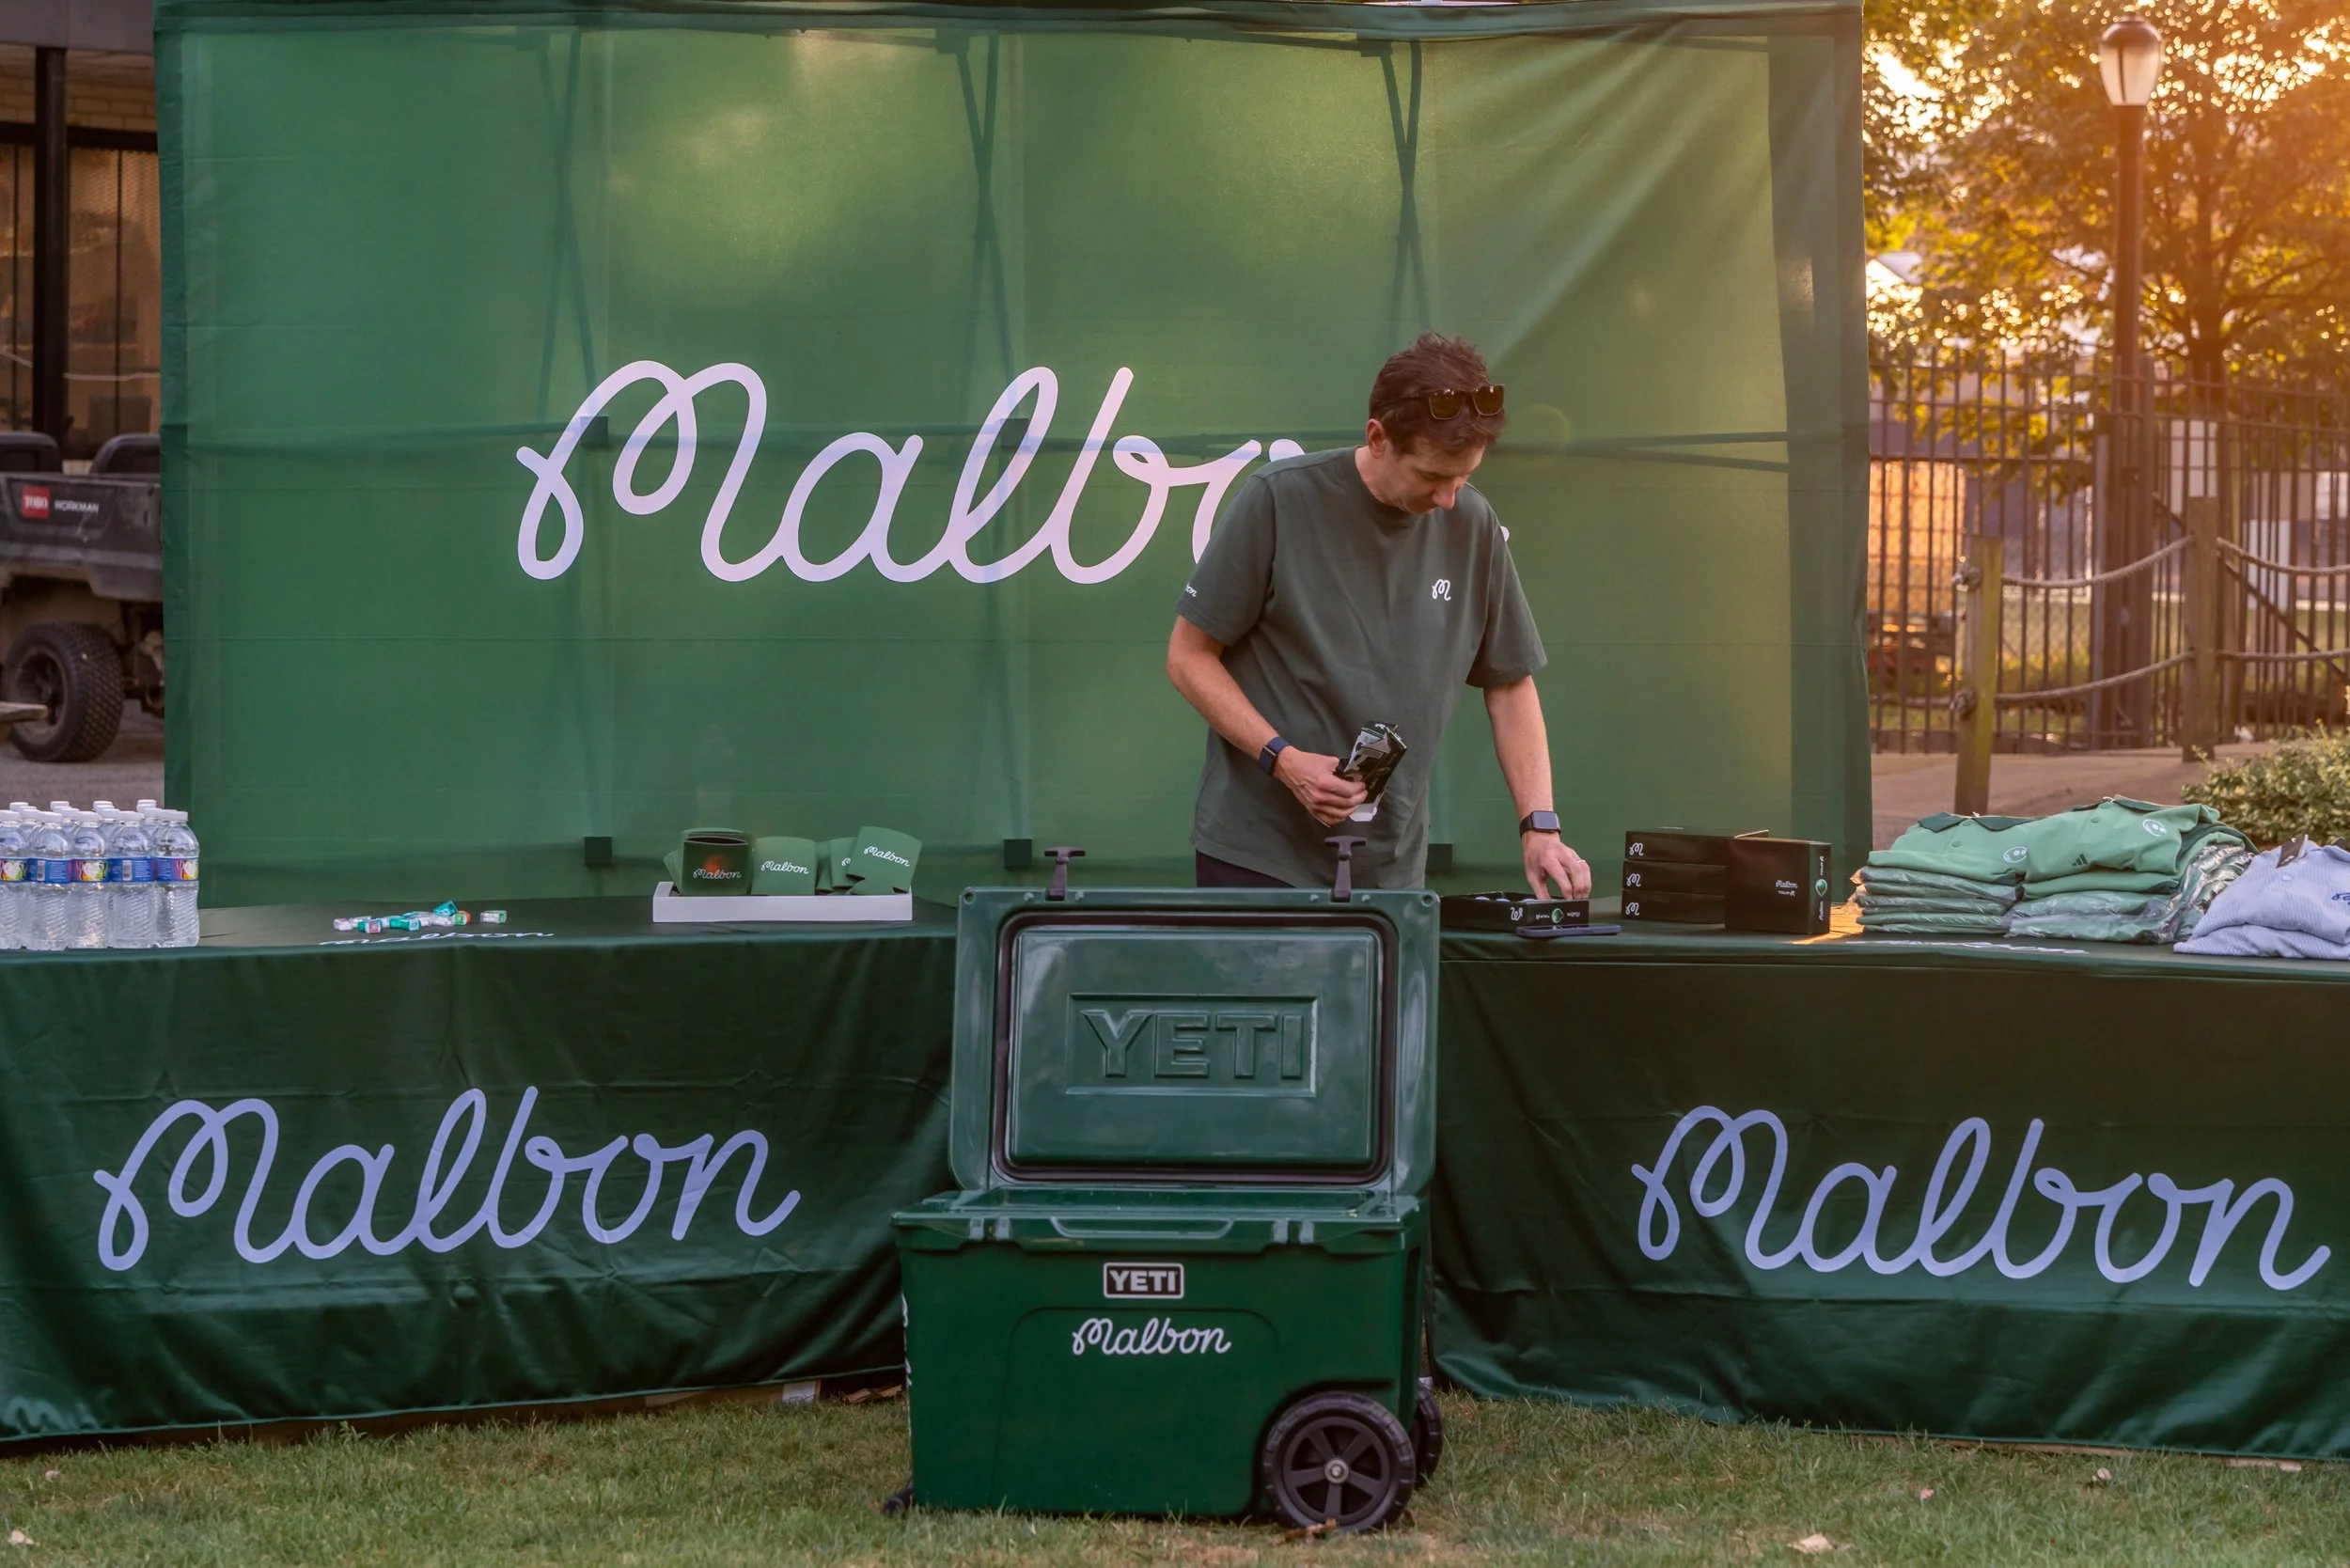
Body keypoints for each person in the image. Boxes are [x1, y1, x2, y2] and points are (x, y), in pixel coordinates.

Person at [1167, 332, 1591, 897]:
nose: (1448, 499)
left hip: (1391, 870)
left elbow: (1510, 685)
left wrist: (1540, 826)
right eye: (1432, 477)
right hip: (1258, 857)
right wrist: (1283, 760)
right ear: (1378, 437)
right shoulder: (1277, 499)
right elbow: (1188, 657)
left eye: (1464, 478)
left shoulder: (1474, 523)